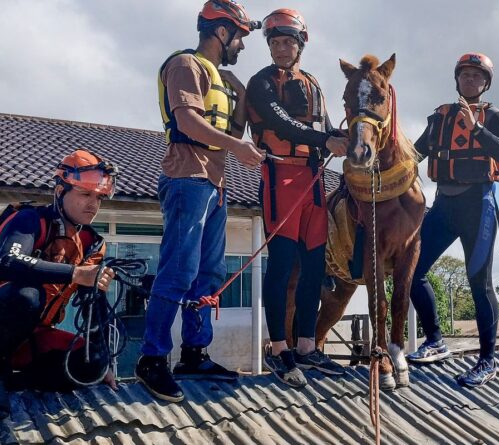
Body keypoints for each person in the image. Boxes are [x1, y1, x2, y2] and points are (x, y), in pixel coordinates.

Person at [136, 0, 265, 403]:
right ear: (222, 32)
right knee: (179, 268)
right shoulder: (185, 66)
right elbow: (188, 121)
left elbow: (237, 122)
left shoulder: (222, 79)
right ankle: (151, 358)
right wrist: (238, 148)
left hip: (216, 184)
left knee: (208, 273)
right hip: (186, 178)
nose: (242, 46)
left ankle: (194, 352)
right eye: (240, 36)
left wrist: (244, 95)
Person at [0, 149, 118, 419]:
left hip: (33, 335)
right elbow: (7, 261)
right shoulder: (30, 220)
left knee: (92, 364)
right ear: (61, 191)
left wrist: (102, 363)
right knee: (28, 294)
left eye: (99, 198)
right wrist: (76, 273)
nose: (93, 205)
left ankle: (16, 383)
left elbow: (93, 305)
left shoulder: (93, 243)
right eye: (85, 195)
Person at [245, 8, 348, 388]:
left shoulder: (314, 83)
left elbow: (325, 126)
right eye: (274, 42)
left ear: (301, 43)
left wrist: (350, 134)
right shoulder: (261, 83)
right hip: (280, 177)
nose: (281, 48)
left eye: (288, 41)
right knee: (283, 264)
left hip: (315, 179)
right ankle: (278, 348)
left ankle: (307, 346)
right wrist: (325, 140)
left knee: (314, 265)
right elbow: (279, 123)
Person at [407, 53, 499, 387]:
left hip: (477, 206)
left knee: (479, 285)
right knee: (411, 270)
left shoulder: (495, 116)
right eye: (465, 75)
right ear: (457, 79)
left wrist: (476, 128)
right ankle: (436, 341)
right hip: (444, 206)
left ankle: (487, 361)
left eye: (476, 76)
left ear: (486, 83)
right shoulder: (440, 117)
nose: (470, 80)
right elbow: (414, 154)